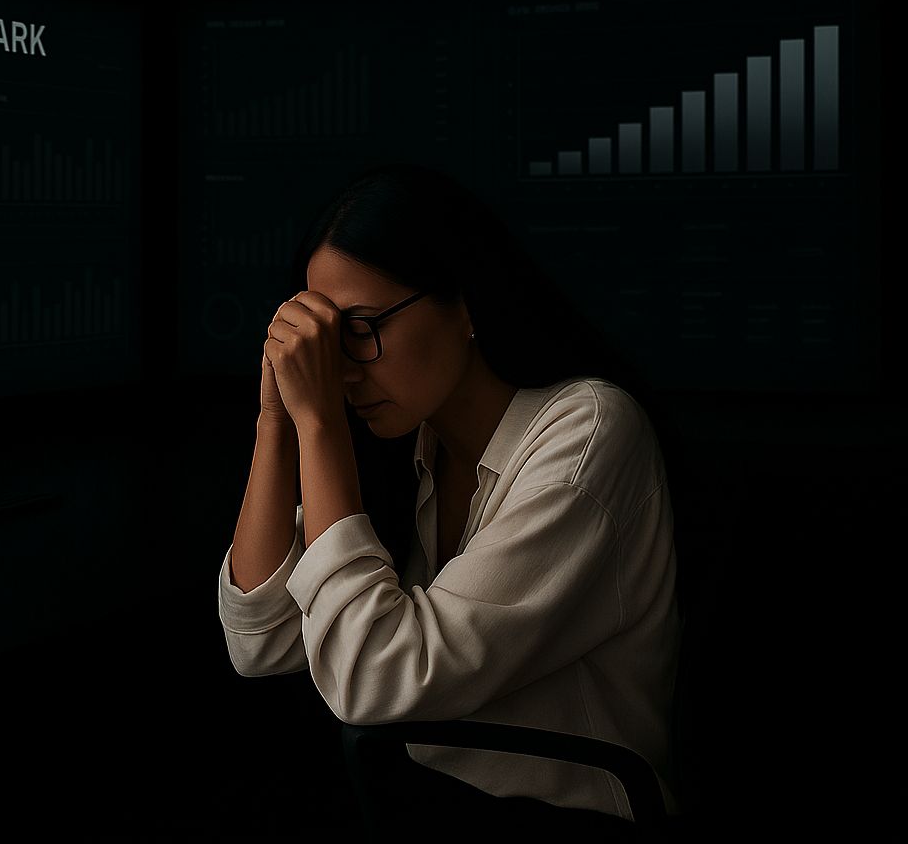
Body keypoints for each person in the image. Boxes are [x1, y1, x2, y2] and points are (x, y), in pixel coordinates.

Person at [216, 162, 683, 838]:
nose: (342, 374)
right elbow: (259, 639)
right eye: (324, 346)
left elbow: (373, 679)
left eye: (361, 329)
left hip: (573, 829)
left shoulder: (589, 433)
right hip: (433, 808)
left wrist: (318, 423)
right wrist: (277, 419)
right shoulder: (413, 441)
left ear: (465, 304)